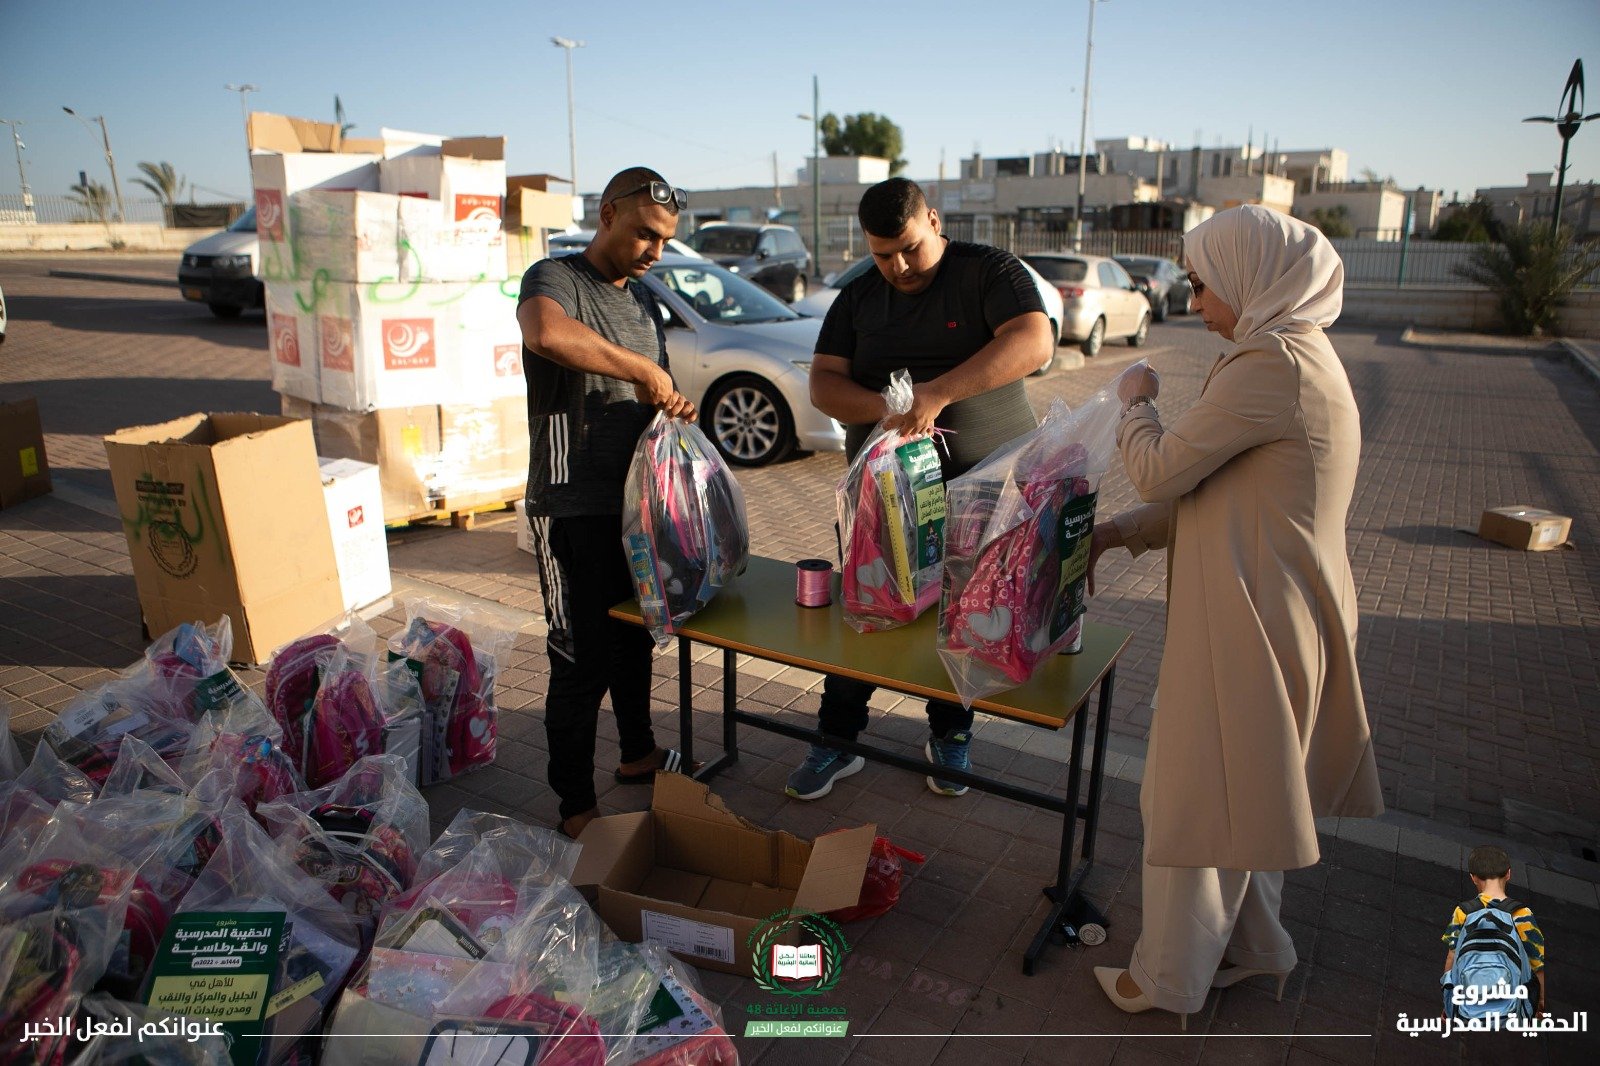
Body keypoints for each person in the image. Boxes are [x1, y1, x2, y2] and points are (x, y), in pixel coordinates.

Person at [1085, 205, 1384, 1027]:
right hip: (1275, 606)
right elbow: (1215, 491)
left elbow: (1160, 471)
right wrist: (1115, 536)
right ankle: (1259, 952)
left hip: (1256, 618)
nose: (1196, 301)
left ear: (1252, 279)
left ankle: (1168, 981)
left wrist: (1136, 401)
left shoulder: (1271, 362)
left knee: (1194, 797)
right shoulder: (1292, 357)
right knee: (1248, 791)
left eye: (1201, 282)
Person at [788, 177, 1054, 800]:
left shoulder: (988, 271)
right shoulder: (857, 298)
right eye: (883, 254)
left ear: (934, 221)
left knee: (962, 617)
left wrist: (938, 393)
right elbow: (825, 383)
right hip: (882, 498)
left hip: (981, 492)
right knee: (870, 614)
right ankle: (839, 736)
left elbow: (1033, 341)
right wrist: (887, 413)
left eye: (909, 247)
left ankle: (950, 735)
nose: (899, 266)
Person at [517, 166, 699, 840]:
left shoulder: (644, 302)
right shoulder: (555, 279)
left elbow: (651, 390)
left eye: (664, 241)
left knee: (633, 641)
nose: (653, 251)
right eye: (643, 234)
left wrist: (674, 403)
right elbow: (546, 336)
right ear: (607, 215)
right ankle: (575, 809)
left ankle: (637, 754)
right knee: (580, 657)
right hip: (572, 505)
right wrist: (646, 370)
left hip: (635, 510)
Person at [1441, 845, 1546, 1017]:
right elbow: (1537, 963)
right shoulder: (1522, 915)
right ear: (1508, 874)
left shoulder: (1463, 912)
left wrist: (1448, 1001)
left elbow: (1452, 957)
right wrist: (1540, 1003)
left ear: (1473, 878)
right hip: (1512, 1006)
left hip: (1469, 1002)